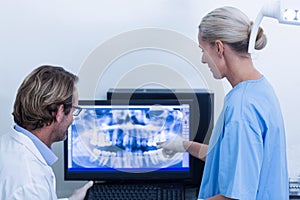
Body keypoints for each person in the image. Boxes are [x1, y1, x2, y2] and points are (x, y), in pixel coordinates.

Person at [158, 6, 289, 199]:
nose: (203, 60)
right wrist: (181, 145)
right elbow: (227, 157)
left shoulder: (242, 108)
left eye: (203, 50)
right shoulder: (259, 89)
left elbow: (236, 197)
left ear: (219, 48)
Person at [0, 65, 93, 199]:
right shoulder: (30, 184)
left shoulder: (8, 144)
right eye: (74, 110)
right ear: (60, 112)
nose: (73, 118)